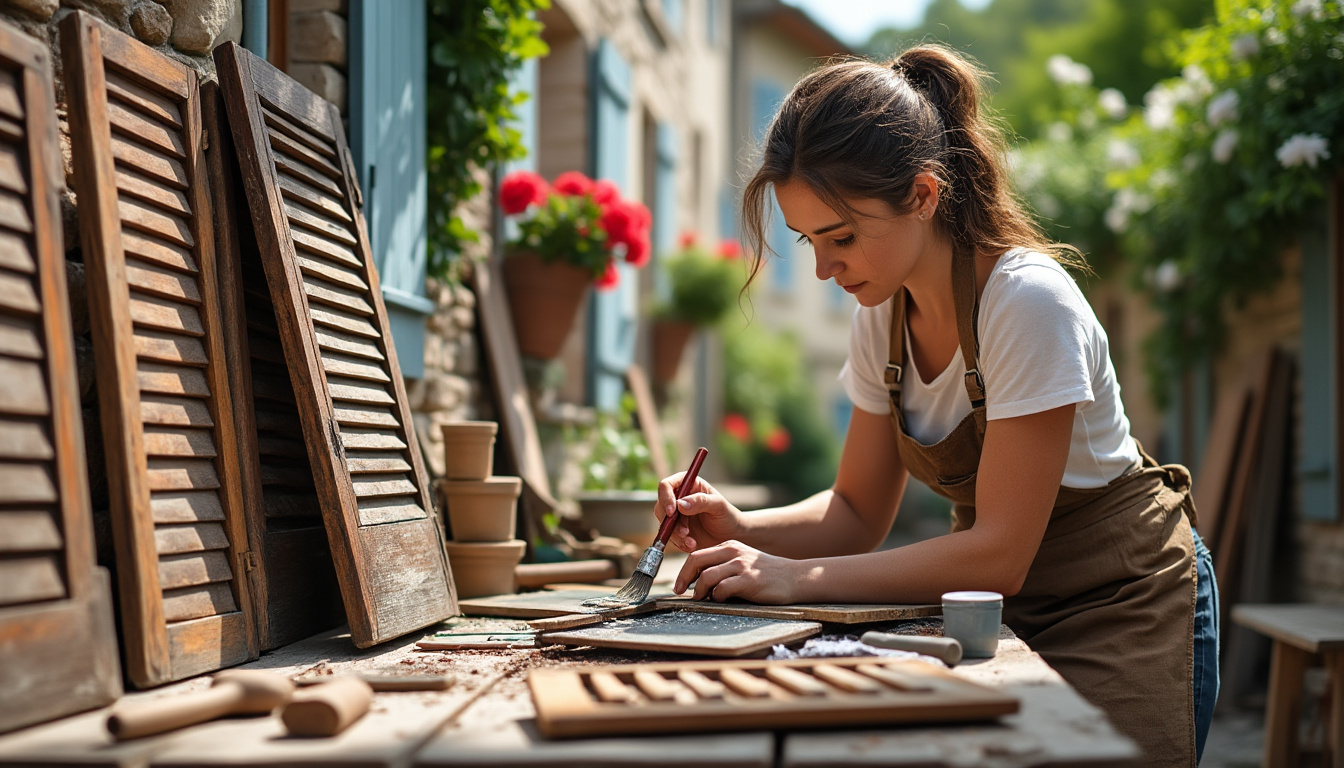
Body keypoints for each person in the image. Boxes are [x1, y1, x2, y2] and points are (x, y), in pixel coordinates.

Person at [654, 45, 1218, 767]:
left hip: (1121, 605)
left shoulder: (1026, 303)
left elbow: (1000, 554)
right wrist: (740, 526)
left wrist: (790, 577)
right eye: (808, 242)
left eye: (843, 238)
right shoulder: (879, 316)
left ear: (923, 195)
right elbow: (856, 511)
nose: (824, 268)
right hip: (988, 615)